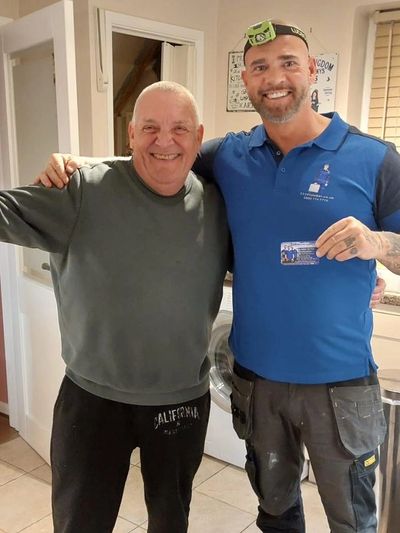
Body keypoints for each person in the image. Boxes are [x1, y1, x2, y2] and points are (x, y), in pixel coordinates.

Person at [37, 20, 393, 533]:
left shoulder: (374, 158)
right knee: (277, 515)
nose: (275, 77)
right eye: (259, 67)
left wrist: (377, 244)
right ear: (246, 80)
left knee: (353, 523)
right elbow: (159, 156)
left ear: (312, 70)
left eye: (288, 63)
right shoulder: (229, 155)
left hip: (340, 384)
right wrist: (76, 165)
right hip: (257, 381)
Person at [0, 81, 230, 533]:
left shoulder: (219, 205)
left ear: (199, 136)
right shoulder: (82, 189)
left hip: (181, 401)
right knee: (81, 523)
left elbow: (273, 259)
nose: (165, 141)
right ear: (131, 133)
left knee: (171, 521)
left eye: (179, 128)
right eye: (150, 128)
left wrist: (355, 271)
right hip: (92, 401)